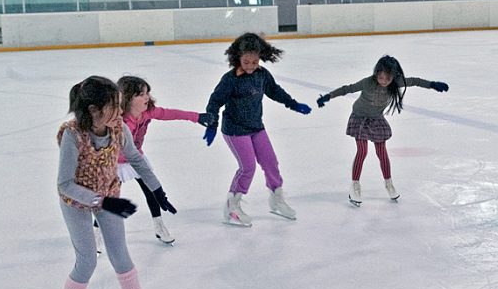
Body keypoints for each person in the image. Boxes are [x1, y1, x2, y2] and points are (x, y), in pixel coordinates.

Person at [56, 75, 165, 289]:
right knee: (86, 262)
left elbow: (135, 158)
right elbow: (64, 184)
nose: (120, 110)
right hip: (75, 201)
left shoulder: (118, 128)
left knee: (121, 258)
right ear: (94, 110)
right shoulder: (72, 134)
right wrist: (101, 201)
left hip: (108, 194)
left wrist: (157, 189)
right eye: (114, 105)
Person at [93, 75, 217, 246]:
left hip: (137, 159)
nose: (147, 97)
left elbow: (170, 113)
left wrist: (197, 117)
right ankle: (97, 233)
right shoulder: (117, 120)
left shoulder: (147, 112)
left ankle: (159, 226)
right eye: (141, 94)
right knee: (110, 197)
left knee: (152, 192)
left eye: (147, 93)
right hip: (115, 163)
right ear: (128, 97)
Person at [203, 32, 312, 227]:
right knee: (247, 168)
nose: (251, 66)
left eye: (255, 62)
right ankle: (231, 207)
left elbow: (274, 91)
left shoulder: (262, 75)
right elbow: (214, 102)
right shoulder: (230, 80)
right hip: (235, 129)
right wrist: (212, 125)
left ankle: (276, 199)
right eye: (246, 62)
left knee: (271, 163)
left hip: (256, 127)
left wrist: (293, 104)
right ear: (238, 57)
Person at [315, 55, 449, 207]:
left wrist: (433, 84)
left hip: (376, 119)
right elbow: (348, 89)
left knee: (382, 152)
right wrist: (328, 96)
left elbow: (415, 81)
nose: (384, 81)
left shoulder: (396, 82)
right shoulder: (368, 82)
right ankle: (355, 185)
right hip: (359, 117)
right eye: (381, 77)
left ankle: (389, 183)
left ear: (394, 77)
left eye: (388, 78)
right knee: (362, 151)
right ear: (376, 74)